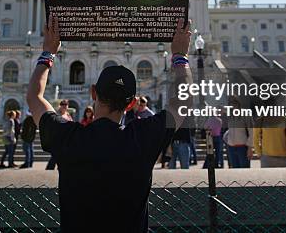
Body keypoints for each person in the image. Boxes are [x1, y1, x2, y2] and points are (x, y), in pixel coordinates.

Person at [29, 15, 192, 232]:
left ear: (93, 93)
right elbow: (184, 102)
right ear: (132, 103)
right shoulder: (143, 137)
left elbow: (34, 97)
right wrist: (180, 57)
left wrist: (48, 52)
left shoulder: (68, 137)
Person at [225, 96, 253, 168]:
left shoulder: (245, 114)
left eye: (234, 102)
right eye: (230, 103)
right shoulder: (230, 115)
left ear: (238, 103)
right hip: (231, 147)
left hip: (242, 147)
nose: (233, 105)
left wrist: (250, 148)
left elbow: (251, 131)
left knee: (244, 172)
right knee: (234, 172)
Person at [45, 100, 73, 170]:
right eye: (63, 105)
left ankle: (60, 167)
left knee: (62, 154)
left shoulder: (68, 115)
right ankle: (50, 168)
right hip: (58, 137)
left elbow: (71, 123)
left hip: (66, 138)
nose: (64, 107)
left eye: (66, 105)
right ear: (60, 106)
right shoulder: (57, 114)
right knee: (55, 154)